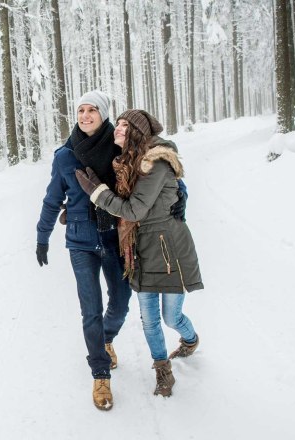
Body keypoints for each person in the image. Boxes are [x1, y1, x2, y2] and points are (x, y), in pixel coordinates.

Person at [35, 92, 186, 410]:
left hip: (115, 239)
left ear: (103, 115)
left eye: (92, 110)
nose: (85, 115)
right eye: (80, 110)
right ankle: (100, 374)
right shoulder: (65, 156)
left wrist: (180, 195)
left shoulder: (119, 147)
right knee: (90, 311)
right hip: (80, 243)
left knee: (120, 303)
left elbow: (156, 168)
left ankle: (105, 339)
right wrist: (42, 235)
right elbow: (52, 198)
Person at [75, 109, 203, 398]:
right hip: (140, 251)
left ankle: (190, 338)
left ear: (136, 133)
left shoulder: (154, 162)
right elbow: (125, 203)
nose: (117, 129)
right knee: (149, 320)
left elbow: (133, 209)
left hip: (168, 247)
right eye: (117, 124)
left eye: (123, 125)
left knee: (171, 317)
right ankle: (162, 369)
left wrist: (97, 192)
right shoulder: (125, 164)